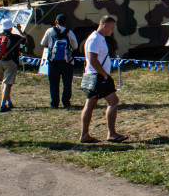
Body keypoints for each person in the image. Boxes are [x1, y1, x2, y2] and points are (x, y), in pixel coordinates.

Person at [79, 15, 128, 143]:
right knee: (113, 101)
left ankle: (84, 135)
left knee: (89, 105)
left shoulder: (97, 38)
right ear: (104, 26)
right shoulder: (95, 39)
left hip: (94, 75)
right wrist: (105, 75)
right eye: (111, 28)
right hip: (99, 77)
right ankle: (111, 134)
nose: (112, 31)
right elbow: (93, 59)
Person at [40, 14, 78, 109]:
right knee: (67, 83)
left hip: (53, 62)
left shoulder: (50, 31)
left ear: (56, 22)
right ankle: (66, 102)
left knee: (53, 83)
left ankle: (54, 103)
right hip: (67, 62)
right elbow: (75, 46)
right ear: (65, 22)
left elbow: (43, 43)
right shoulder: (69, 33)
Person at [0, 19, 27, 113]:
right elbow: (25, 40)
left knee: (4, 81)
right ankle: (3, 104)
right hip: (11, 61)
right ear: (11, 27)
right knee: (8, 83)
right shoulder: (15, 37)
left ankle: (8, 101)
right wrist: (19, 30)